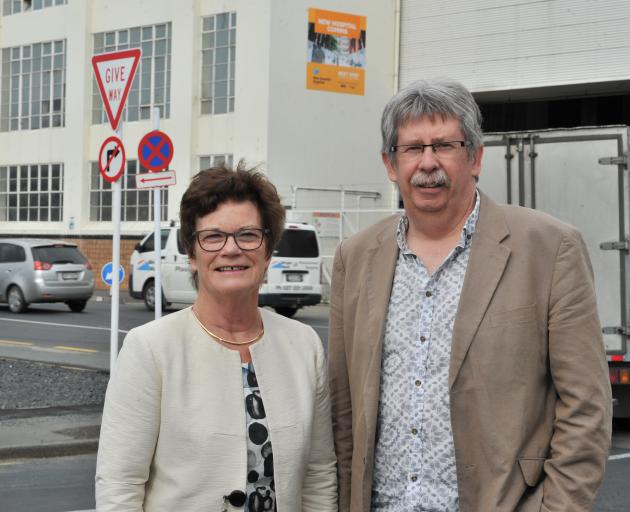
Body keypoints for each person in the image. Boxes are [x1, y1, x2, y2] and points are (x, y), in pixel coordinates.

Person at [328, 78, 612, 512]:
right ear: (390, 163)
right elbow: (344, 413)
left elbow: (586, 409)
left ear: (476, 157)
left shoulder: (549, 248)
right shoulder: (357, 256)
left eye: (445, 145)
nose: (428, 163)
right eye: (412, 148)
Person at [96, 163, 337, 511]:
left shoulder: (304, 345)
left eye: (248, 234)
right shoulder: (149, 348)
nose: (231, 249)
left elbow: (318, 475)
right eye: (213, 237)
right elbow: (119, 485)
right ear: (192, 255)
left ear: (268, 249)